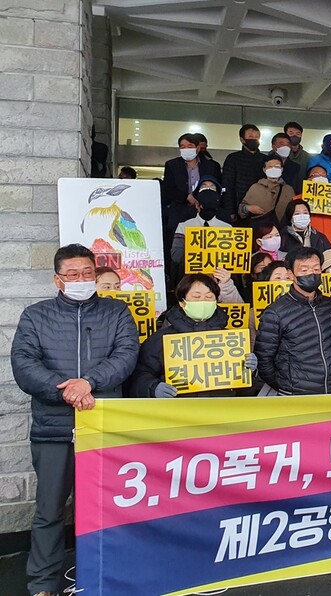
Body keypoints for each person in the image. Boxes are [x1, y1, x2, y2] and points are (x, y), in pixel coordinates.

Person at [12, 244, 139, 596]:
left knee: (103, 510)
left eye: (87, 273)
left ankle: (101, 577)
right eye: (72, 275)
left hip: (103, 427)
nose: (81, 280)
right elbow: (24, 364)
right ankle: (43, 583)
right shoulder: (35, 316)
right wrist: (66, 390)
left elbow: (127, 355)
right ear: (57, 279)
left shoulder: (116, 313)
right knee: (49, 511)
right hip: (53, 429)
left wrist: (89, 382)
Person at [127, 274, 256, 397]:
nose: (203, 301)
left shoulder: (230, 339)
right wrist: (153, 387)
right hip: (177, 413)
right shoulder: (161, 339)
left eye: (209, 296)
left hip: (223, 412)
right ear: (182, 302)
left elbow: (246, 391)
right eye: (196, 296)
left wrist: (251, 372)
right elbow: (139, 374)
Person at [254, 247, 331, 395]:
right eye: (304, 270)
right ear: (290, 274)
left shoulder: (330, 306)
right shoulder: (275, 312)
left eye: (316, 268)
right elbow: (263, 360)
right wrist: (285, 385)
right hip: (296, 395)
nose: (311, 273)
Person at [161, 133, 222, 259]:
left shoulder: (212, 166)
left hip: (205, 210)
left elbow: (218, 187)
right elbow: (168, 188)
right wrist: (186, 197)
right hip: (179, 210)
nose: (186, 149)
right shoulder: (172, 165)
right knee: (178, 245)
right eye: (182, 147)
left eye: (190, 146)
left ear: (198, 148)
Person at [171, 176, 233, 269]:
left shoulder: (227, 228)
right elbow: (176, 254)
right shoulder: (184, 226)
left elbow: (232, 256)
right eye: (205, 204)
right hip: (190, 274)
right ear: (197, 204)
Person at [222, 124, 267, 218]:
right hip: (238, 209)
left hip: (262, 209)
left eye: (257, 137)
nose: (254, 139)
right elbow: (227, 185)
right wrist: (230, 210)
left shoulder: (265, 159)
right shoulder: (233, 158)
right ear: (242, 139)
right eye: (250, 137)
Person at [238, 156, 295, 226]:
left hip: (281, 230)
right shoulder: (255, 188)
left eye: (277, 167)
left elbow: (293, 211)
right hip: (259, 229)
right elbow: (241, 210)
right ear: (264, 170)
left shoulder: (288, 190)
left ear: (282, 169)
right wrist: (248, 208)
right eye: (270, 167)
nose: (273, 169)